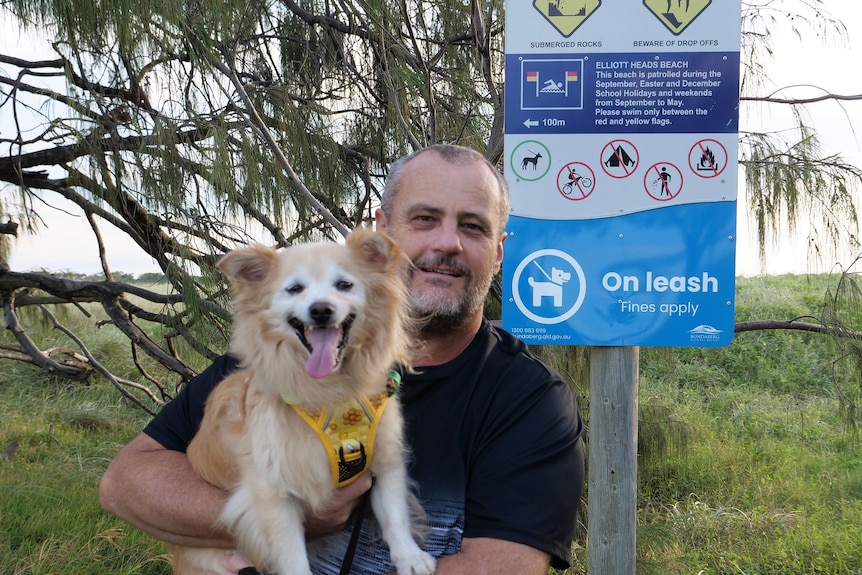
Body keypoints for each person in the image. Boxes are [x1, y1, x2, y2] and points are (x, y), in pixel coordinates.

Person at [99, 144, 585, 575]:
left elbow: (497, 568)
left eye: (473, 227)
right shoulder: (277, 360)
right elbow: (124, 483)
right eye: (424, 219)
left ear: (498, 252)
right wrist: (281, 520)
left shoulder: (527, 399)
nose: (447, 243)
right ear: (381, 234)